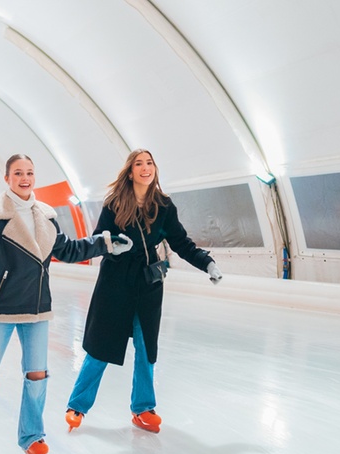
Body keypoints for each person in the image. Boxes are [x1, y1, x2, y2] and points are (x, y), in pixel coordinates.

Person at [0, 153, 131, 454]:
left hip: (36, 308)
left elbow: (68, 249)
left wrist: (104, 242)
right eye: (18, 173)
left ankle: (32, 436)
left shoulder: (46, 214)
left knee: (37, 375)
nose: (25, 178)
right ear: (7, 178)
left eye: (29, 172)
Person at [64, 149, 223, 435]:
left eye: (149, 163)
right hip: (115, 283)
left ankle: (143, 408)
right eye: (139, 164)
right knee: (101, 346)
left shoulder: (163, 206)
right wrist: (113, 246)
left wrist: (206, 262)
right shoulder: (114, 203)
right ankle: (77, 405)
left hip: (149, 285)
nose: (145, 168)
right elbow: (99, 239)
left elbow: (181, 243)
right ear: (130, 171)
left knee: (146, 348)